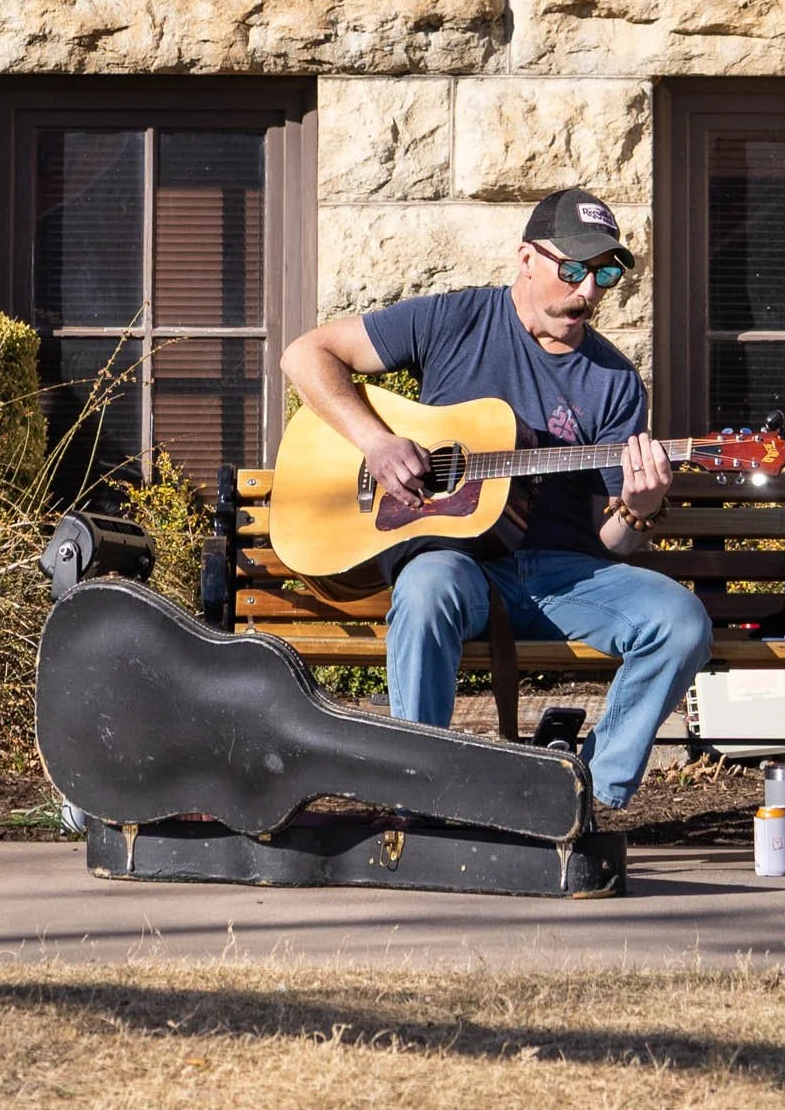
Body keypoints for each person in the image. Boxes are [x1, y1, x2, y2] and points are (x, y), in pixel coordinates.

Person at [280, 187, 713, 810]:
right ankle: (420, 796)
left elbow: (612, 539)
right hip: (458, 565)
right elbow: (306, 354)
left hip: (567, 576)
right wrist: (375, 441)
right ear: (527, 258)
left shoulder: (615, 381)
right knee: (426, 587)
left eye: (606, 273)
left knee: (679, 621)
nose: (589, 291)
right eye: (574, 269)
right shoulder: (455, 320)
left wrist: (639, 509)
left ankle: (581, 794)